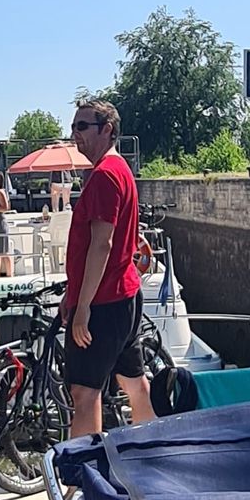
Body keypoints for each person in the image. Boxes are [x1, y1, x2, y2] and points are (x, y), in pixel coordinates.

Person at [61, 100, 154, 438]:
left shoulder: (103, 176)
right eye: (73, 127)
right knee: (135, 384)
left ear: (108, 130)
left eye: (83, 127)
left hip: (103, 303)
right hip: (125, 296)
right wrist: (72, 295)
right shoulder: (120, 170)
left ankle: (81, 478)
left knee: (85, 393)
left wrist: (82, 306)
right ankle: (149, 456)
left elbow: (103, 243)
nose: (75, 135)